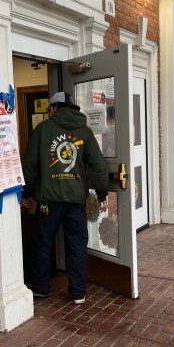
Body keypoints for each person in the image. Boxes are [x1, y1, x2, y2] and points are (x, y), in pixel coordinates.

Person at [21, 91, 109, 304]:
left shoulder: (42, 129)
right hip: (76, 201)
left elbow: (30, 166)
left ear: (55, 108)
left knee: (43, 243)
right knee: (77, 245)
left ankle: (41, 287)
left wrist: (27, 193)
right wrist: (102, 193)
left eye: (49, 109)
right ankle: (78, 292)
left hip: (47, 202)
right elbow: (98, 165)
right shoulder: (85, 132)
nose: (49, 112)